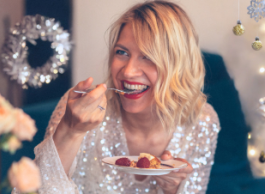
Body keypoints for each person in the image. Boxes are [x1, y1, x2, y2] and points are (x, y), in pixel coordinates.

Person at [13, 1, 220, 194]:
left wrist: (173, 190)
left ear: (178, 66)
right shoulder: (79, 107)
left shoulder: (202, 122)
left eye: (148, 57)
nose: (128, 72)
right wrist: (69, 130)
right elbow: (36, 191)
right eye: (122, 52)